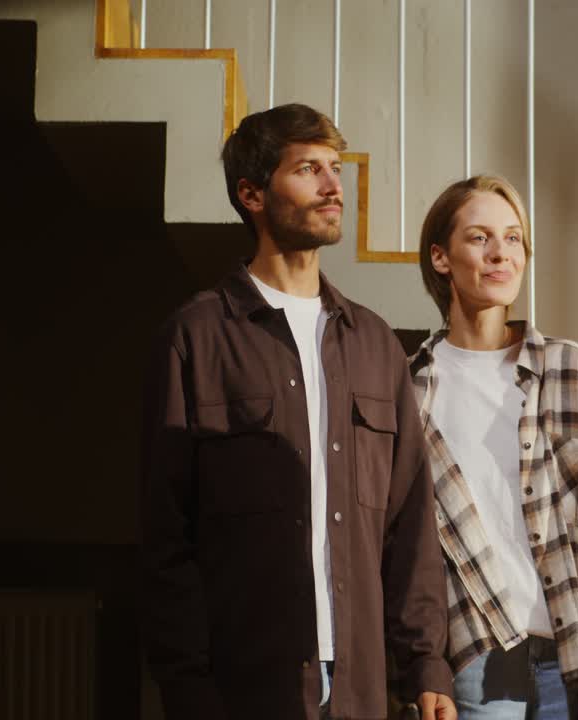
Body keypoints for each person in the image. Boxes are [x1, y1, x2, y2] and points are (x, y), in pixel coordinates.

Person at [140, 103, 456, 720]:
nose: (333, 185)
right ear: (252, 193)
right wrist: (186, 685)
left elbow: (410, 524)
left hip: (360, 687)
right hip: (243, 686)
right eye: (308, 168)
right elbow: (165, 536)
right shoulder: (196, 339)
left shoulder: (373, 344)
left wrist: (425, 665)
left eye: (335, 168)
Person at [408, 175, 578, 720]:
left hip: (573, 651)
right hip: (475, 657)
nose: (500, 254)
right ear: (441, 258)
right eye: (480, 238)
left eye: (513, 239)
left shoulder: (567, 368)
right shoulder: (412, 388)